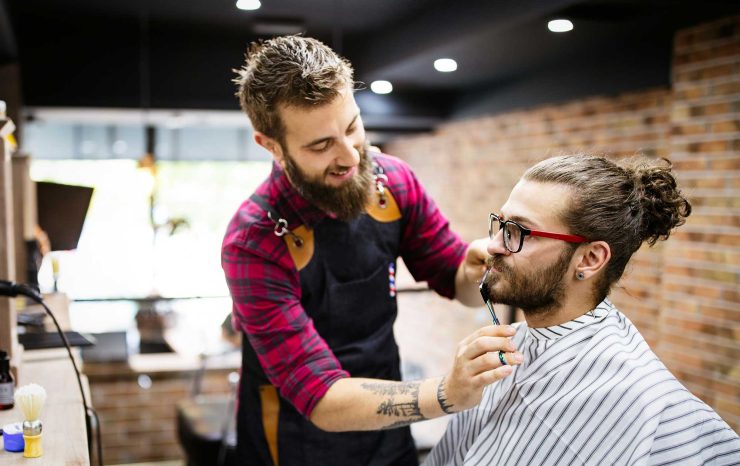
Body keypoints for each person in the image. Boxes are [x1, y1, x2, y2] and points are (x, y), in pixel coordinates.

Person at [222, 35, 520, 466]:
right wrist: (445, 393)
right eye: (320, 145)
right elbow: (321, 397)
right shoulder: (254, 242)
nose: (350, 156)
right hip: (293, 440)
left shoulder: (392, 183)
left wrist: (477, 270)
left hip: (389, 426)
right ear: (271, 145)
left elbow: (460, 283)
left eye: (351, 127)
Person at [425, 154, 740, 465]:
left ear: (589, 260)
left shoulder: (643, 398)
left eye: (519, 232)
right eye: (501, 224)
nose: (493, 245)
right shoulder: (510, 346)